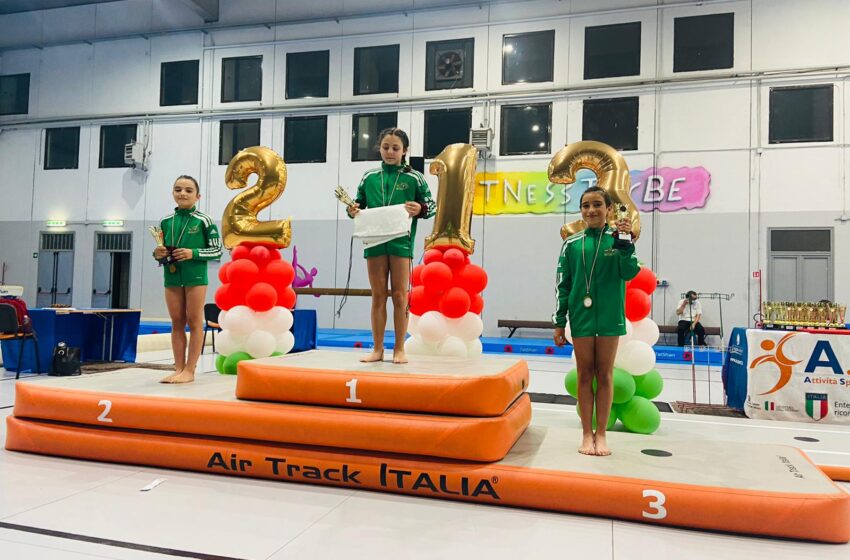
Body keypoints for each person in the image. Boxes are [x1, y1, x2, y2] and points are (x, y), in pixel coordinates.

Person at [552, 186, 640, 456]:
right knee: (584, 374)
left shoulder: (619, 239)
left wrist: (626, 249)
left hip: (611, 317)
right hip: (581, 316)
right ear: (581, 210)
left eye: (597, 205)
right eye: (586, 205)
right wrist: (558, 321)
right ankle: (585, 433)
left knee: (605, 374)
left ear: (609, 209)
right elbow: (562, 285)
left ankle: (601, 434)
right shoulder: (572, 244)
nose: (591, 210)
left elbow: (629, 273)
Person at [347, 128, 435, 364]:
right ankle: (377, 349)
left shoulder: (413, 177)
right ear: (380, 148)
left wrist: (421, 209)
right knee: (377, 296)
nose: (390, 152)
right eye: (386, 147)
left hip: (401, 243)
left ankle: (399, 349)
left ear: (404, 151)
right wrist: (352, 209)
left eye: (395, 148)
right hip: (374, 241)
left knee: (399, 296)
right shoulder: (369, 177)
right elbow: (357, 204)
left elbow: (432, 206)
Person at [154, 175, 222, 383]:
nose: (183, 193)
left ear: (198, 196)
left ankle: (190, 370)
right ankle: (178, 368)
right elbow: (160, 251)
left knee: (194, 321)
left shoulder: (205, 221)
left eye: (188, 190)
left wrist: (193, 253)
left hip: (195, 276)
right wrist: (157, 254)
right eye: (178, 189)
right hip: (172, 275)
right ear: (173, 193)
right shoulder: (165, 222)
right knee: (176, 321)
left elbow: (217, 250)